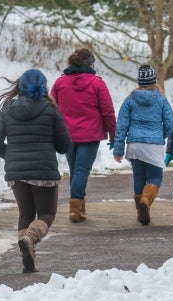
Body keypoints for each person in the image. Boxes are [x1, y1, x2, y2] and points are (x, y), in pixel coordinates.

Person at [0, 69, 71, 273]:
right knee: (47, 213)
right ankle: (30, 239)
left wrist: (12, 155)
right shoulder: (50, 110)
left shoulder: (9, 108)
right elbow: (64, 145)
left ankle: (29, 254)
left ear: (20, 86)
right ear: (43, 87)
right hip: (43, 170)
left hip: (16, 173)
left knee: (25, 214)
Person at [50, 48, 116, 223]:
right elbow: (108, 112)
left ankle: (79, 208)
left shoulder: (60, 83)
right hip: (90, 135)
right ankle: (75, 209)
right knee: (81, 171)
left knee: (75, 171)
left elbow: (51, 108)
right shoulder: (97, 84)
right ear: (91, 64)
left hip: (66, 134)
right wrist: (114, 136)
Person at [112, 64, 173, 225]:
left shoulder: (130, 100)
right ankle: (146, 201)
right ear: (154, 81)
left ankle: (141, 211)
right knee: (155, 177)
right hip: (153, 145)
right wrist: (160, 136)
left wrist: (119, 148)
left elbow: (121, 125)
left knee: (139, 177)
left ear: (139, 82)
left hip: (134, 145)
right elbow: (170, 123)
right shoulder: (161, 99)